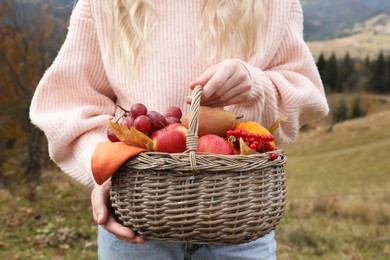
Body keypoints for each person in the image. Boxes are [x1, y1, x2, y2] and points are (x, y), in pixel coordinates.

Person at [30, 0, 329, 259]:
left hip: (237, 221)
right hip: (138, 224)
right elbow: (67, 102)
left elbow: (306, 96)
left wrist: (255, 86)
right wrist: (105, 169)